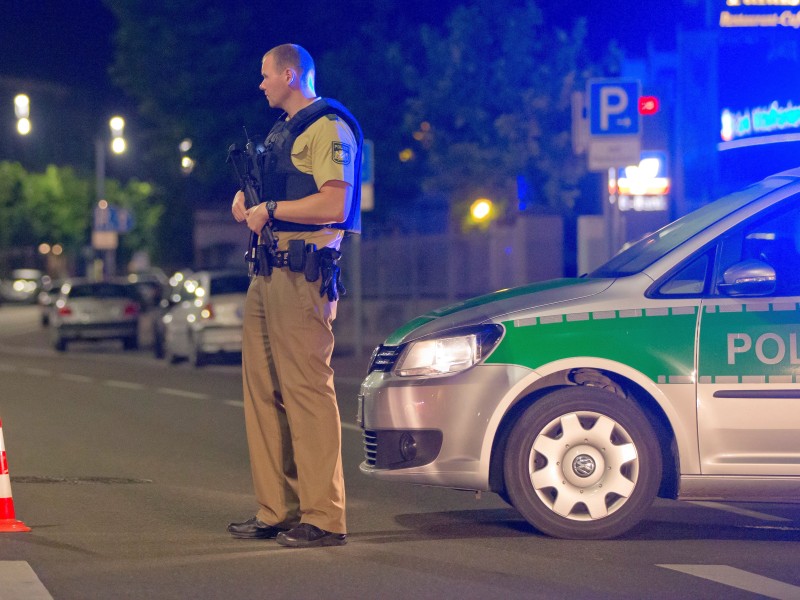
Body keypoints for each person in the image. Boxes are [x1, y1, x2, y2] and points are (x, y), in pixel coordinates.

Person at [227, 43, 362, 548]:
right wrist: (250, 204)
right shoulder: (282, 131)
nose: (260, 84)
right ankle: (276, 509)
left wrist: (274, 207)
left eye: (265, 75)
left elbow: (335, 199)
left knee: (307, 391)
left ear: (290, 73)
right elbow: (275, 198)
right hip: (266, 272)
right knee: (262, 393)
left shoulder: (327, 126)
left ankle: (325, 517)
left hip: (302, 274)